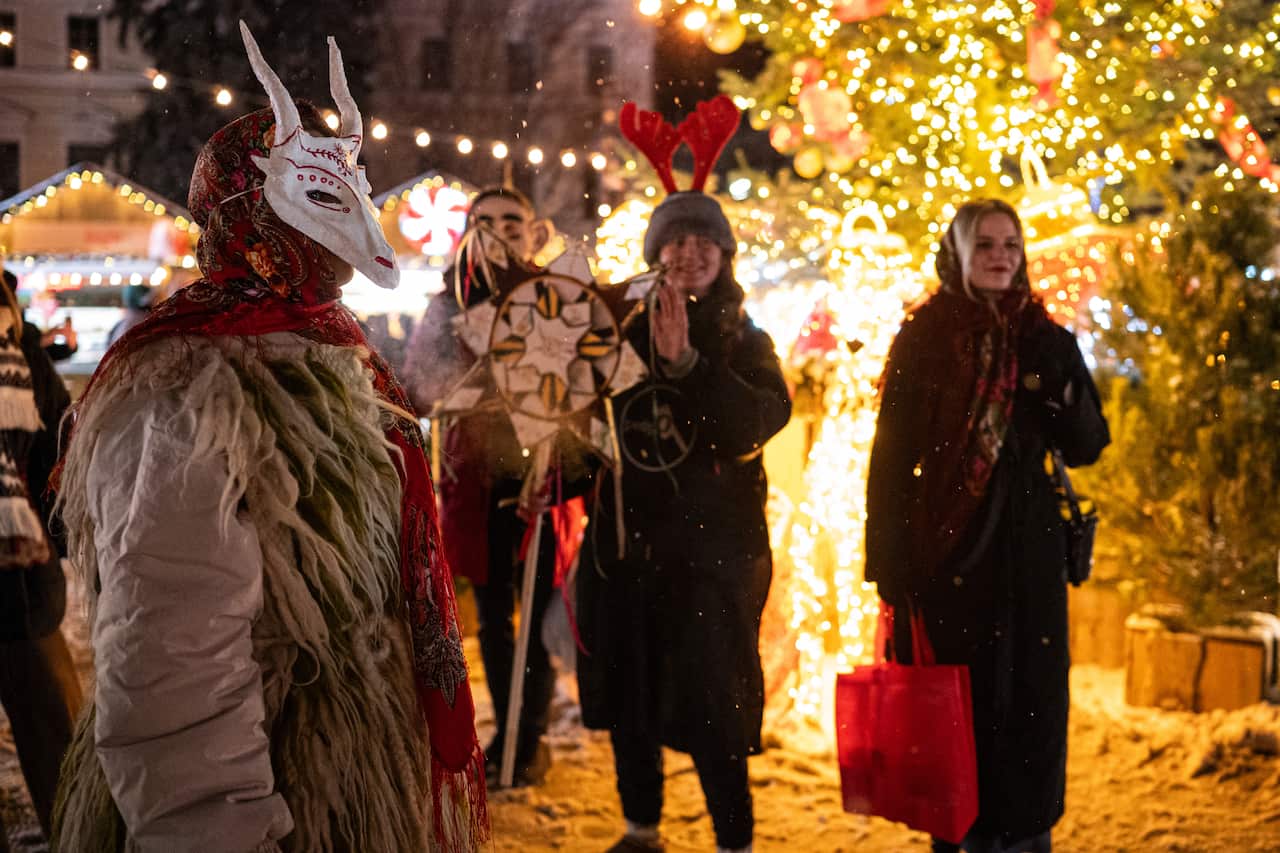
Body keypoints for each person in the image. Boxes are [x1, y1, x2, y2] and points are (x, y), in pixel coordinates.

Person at [50, 25, 486, 853]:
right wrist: (222, 830)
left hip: (350, 778)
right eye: (321, 199)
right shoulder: (187, 386)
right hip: (266, 792)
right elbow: (168, 649)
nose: (364, 233)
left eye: (357, 188)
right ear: (245, 207)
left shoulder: (341, 360)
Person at [865, 199, 1110, 853]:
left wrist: (1052, 383)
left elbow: (1088, 442)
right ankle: (963, 837)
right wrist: (887, 560)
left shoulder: (1045, 335)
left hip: (1029, 556)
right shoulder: (925, 335)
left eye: (1010, 244)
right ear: (960, 254)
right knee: (960, 715)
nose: (1001, 256)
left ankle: (1029, 836)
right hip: (949, 556)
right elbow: (891, 456)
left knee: (1032, 706)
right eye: (985, 245)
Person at [576, 187, 792, 853]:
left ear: (724, 255)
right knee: (629, 699)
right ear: (654, 254)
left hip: (712, 561)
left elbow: (752, 425)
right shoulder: (612, 333)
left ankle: (734, 840)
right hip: (626, 552)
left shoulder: (745, 338)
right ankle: (641, 826)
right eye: (675, 241)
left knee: (713, 709)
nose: (689, 252)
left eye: (704, 242)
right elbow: (586, 432)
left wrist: (689, 366)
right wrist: (549, 475)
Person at [401, 186, 563, 788]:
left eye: (511, 222)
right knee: (495, 617)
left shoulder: (554, 296)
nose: (499, 232)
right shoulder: (448, 303)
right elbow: (423, 384)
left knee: (540, 613)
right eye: (486, 221)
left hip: (544, 477)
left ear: (532, 232)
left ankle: (531, 732)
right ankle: (510, 732)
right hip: (476, 477)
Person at [0, 269, 81, 853]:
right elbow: (58, 468)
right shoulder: (26, 360)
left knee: (57, 738)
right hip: (23, 585)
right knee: (58, 743)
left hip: (25, 593)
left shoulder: (28, 360)